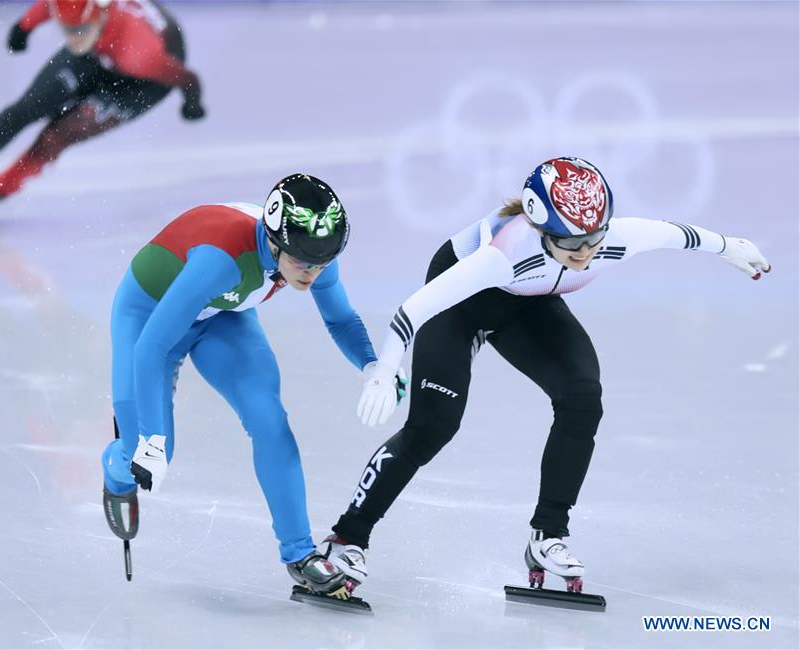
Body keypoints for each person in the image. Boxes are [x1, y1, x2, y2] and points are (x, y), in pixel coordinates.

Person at [319, 157, 771, 594]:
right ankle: (348, 536)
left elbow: (680, 234)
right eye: (572, 244)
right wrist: (385, 370)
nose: (587, 252)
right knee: (434, 425)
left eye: (594, 238)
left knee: (582, 397)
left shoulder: (614, 237)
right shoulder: (500, 255)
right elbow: (412, 310)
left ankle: (548, 536)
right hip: (462, 302)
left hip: (529, 302)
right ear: (540, 229)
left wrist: (730, 246)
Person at [100, 173, 405, 597]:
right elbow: (152, 345)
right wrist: (149, 437)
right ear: (275, 243)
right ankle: (114, 472)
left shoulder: (311, 250)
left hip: (221, 316)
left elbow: (340, 319)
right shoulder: (220, 258)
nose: (313, 273)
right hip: (148, 317)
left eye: (322, 262)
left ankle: (299, 554)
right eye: (302, 261)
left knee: (269, 420)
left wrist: (373, 366)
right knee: (145, 455)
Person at [0, 0, 204, 219]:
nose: (72, 38)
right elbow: (47, 9)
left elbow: (188, 79)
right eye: (66, 29)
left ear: (99, 17)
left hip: (141, 83)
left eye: (80, 29)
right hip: (99, 49)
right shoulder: (71, 11)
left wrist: (192, 103)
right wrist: (22, 29)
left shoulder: (142, 54)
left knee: (57, 136)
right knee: (24, 110)